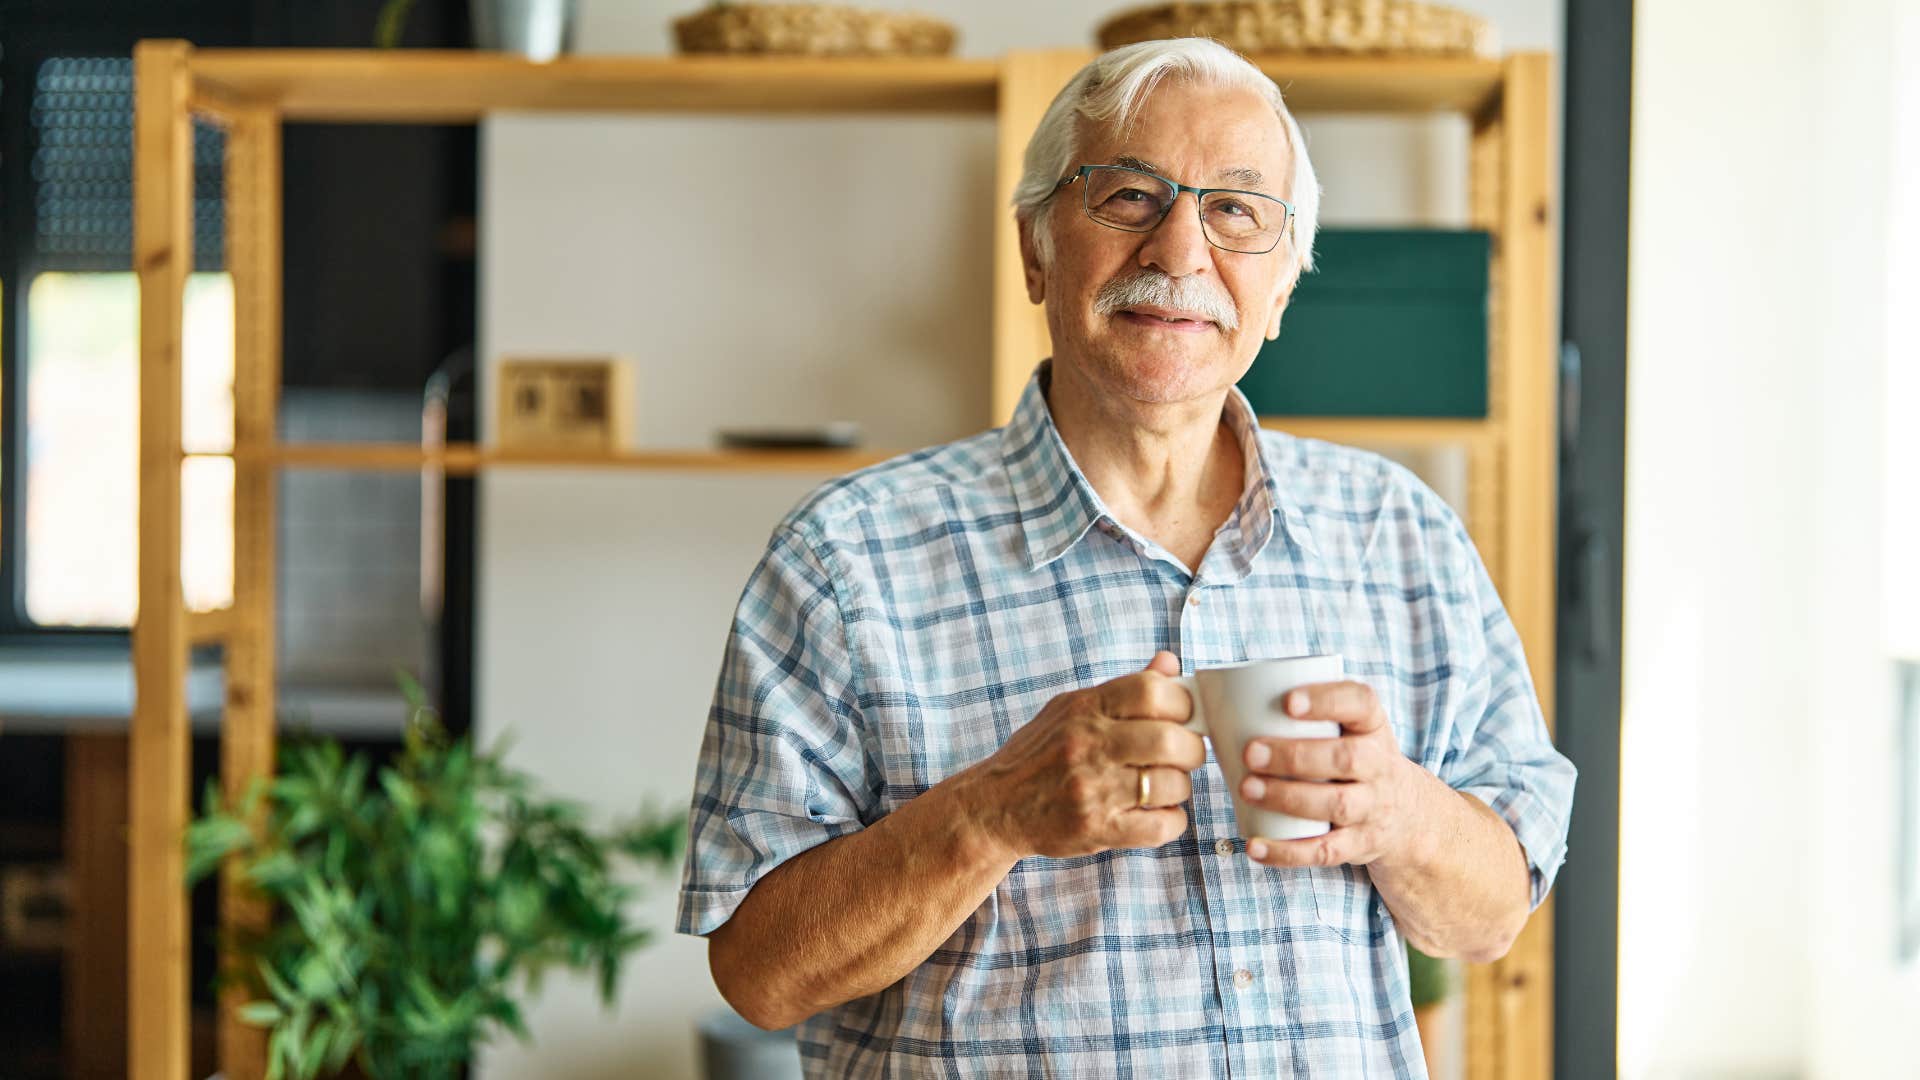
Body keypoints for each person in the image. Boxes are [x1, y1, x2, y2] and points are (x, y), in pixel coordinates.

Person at [676, 37, 1577, 1078]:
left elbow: (1495, 912)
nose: (1182, 253)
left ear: (1283, 287)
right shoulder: (844, 558)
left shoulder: (1403, 534)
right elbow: (758, 972)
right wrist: (990, 811)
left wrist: (1398, 810)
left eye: (1237, 211)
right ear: (1034, 247)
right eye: (1132, 196)